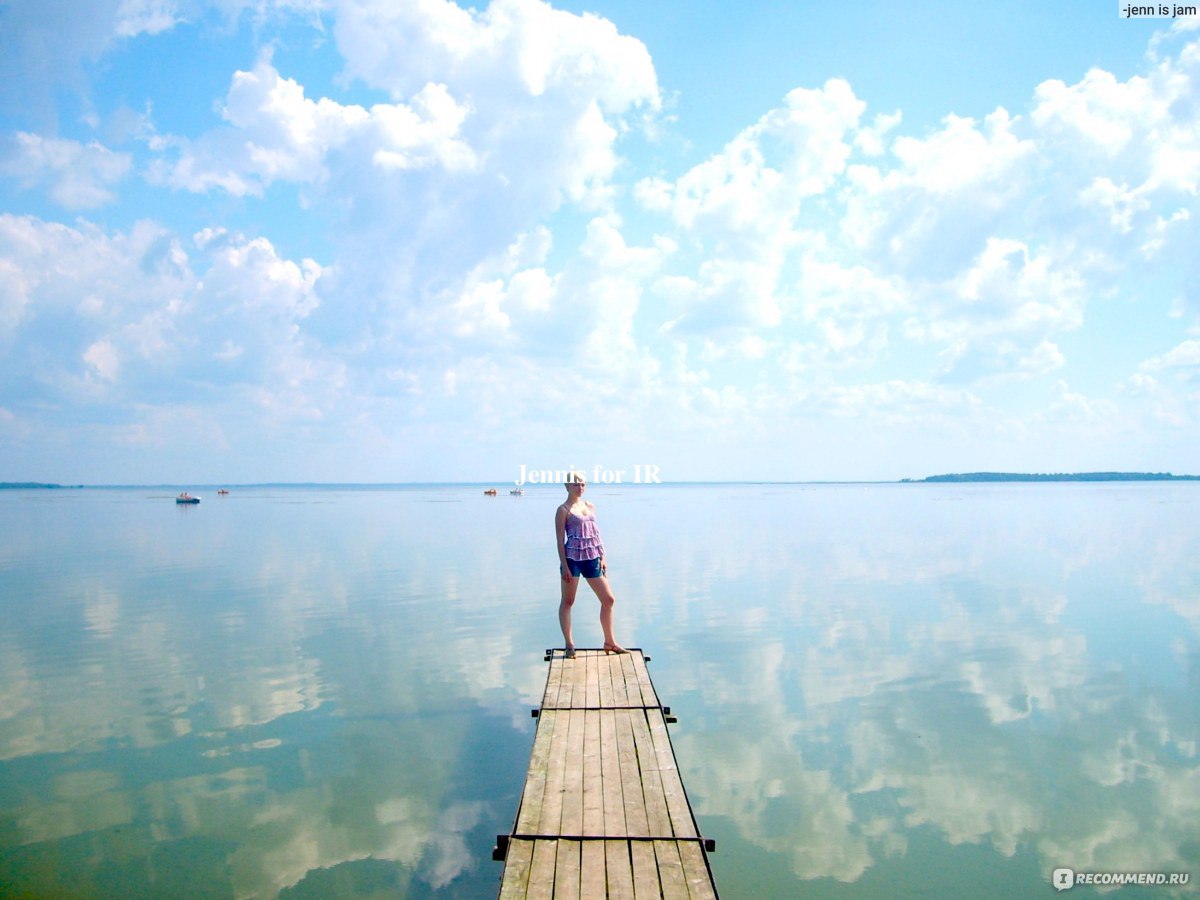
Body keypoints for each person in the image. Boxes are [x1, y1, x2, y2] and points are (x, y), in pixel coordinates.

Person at [555, 473, 627, 658]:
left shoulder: (589, 506)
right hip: (572, 559)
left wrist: (602, 556)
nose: (580, 488)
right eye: (576, 484)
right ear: (567, 486)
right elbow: (559, 540)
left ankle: (609, 641)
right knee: (568, 601)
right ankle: (569, 644)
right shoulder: (563, 510)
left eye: (582, 484)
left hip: (592, 556)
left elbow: (595, 533)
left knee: (608, 599)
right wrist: (565, 565)